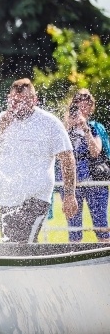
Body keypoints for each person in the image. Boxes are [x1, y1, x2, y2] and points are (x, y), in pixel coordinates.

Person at [0, 79, 77, 243]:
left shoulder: (49, 123)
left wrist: (69, 195)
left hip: (35, 196)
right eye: (14, 101)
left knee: (25, 243)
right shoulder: (2, 119)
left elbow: (67, 159)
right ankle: (32, 268)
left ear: (34, 100)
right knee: (11, 245)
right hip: (7, 196)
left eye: (23, 100)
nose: (18, 105)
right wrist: (0, 130)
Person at [56, 89, 109, 243]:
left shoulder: (95, 127)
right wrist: (69, 126)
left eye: (87, 105)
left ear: (91, 107)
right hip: (71, 182)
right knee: (74, 228)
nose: (82, 108)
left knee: (101, 225)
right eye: (79, 104)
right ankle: (74, 257)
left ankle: (105, 259)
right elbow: (57, 152)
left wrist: (85, 129)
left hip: (94, 181)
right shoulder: (64, 128)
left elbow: (95, 152)